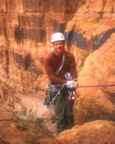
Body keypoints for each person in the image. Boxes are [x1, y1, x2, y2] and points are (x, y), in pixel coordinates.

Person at [44, 32, 78, 135]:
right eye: (56, 44)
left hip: (68, 87)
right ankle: (61, 136)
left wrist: (74, 84)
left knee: (69, 113)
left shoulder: (69, 56)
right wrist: (67, 82)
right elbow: (52, 77)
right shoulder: (48, 58)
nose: (59, 46)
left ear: (64, 44)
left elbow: (73, 71)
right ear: (53, 45)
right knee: (60, 115)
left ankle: (71, 135)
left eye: (61, 43)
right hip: (56, 88)